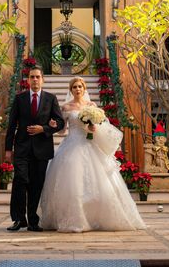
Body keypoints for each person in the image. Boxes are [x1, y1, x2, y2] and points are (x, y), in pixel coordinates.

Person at [38, 76, 146, 232]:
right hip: (71, 145)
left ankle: (96, 217)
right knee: (72, 183)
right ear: (71, 90)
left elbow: (99, 127)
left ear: (84, 88)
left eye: (80, 86)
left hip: (90, 144)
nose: (77, 89)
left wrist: (94, 129)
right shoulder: (66, 107)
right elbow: (62, 131)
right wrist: (54, 125)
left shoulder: (91, 105)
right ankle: (75, 220)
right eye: (74, 87)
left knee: (101, 183)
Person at [4, 65, 64, 232]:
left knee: (36, 186)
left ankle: (32, 221)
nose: (35, 79)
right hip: (22, 148)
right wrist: (8, 149)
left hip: (42, 149)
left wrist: (44, 129)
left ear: (42, 79)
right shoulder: (19, 98)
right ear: (28, 80)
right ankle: (18, 219)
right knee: (20, 182)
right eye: (32, 77)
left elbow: (60, 123)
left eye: (38, 77)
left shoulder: (51, 99)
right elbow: (11, 125)